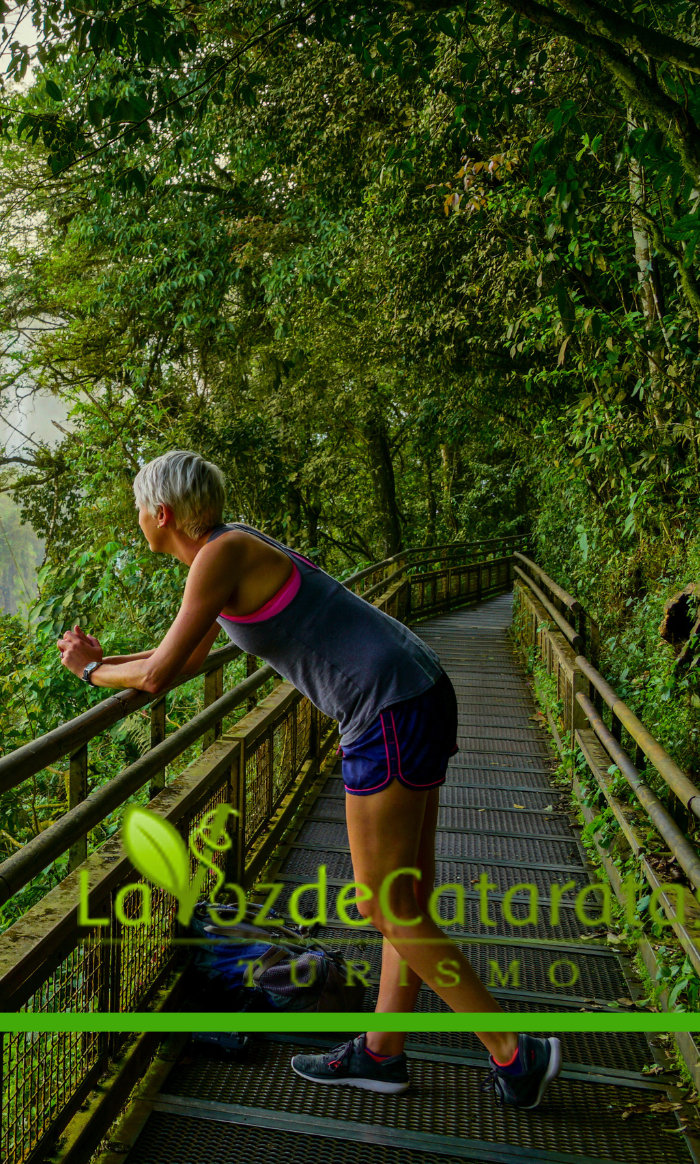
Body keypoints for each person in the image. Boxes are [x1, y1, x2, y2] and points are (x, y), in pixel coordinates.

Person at [54, 449, 562, 1108]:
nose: (137, 523)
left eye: (137, 512)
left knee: (386, 902)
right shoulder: (228, 550)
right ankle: (382, 1051)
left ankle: (515, 1051)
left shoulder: (219, 555)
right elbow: (183, 656)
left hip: (386, 707)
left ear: (163, 513)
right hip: (413, 688)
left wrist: (92, 673)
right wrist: (104, 660)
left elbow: (154, 677)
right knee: (406, 895)